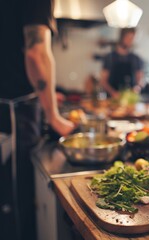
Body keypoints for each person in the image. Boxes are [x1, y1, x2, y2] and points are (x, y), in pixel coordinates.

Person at [0, 1, 74, 240]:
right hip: (13, 111)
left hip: (12, 104)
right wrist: (52, 116)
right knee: (14, 202)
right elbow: (36, 54)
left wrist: (49, 96)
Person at [100, 28, 144, 99]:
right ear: (122, 37)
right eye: (129, 38)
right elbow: (103, 81)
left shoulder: (136, 58)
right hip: (112, 99)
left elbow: (140, 80)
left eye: (133, 38)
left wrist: (136, 89)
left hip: (130, 99)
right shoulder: (110, 58)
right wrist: (113, 93)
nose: (131, 41)